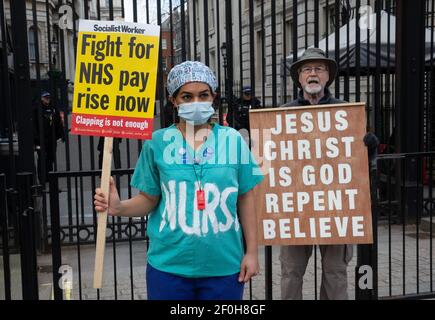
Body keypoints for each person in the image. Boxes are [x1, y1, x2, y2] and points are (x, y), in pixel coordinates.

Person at [94, 61, 264, 300]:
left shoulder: (233, 140)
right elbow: (149, 199)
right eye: (186, 96)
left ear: (213, 96)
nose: (196, 102)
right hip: (168, 266)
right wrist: (119, 207)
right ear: (174, 100)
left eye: (203, 95)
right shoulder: (157, 143)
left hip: (224, 266)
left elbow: (246, 196)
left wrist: (252, 252)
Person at [280, 47, 379, 300]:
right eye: (307, 69)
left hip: (337, 208)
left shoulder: (347, 112)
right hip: (297, 208)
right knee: (291, 273)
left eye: (319, 69)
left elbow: (360, 165)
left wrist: (369, 149)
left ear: (328, 76)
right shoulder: (283, 114)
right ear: (299, 78)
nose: (313, 74)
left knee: (335, 273)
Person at [33, 91, 65, 183]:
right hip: (40, 139)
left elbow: (58, 122)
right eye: (45, 97)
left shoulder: (53, 108)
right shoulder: (36, 109)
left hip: (51, 138)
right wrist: (36, 138)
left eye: (48, 97)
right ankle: (42, 177)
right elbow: (33, 124)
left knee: (51, 157)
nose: (47, 99)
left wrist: (62, 134)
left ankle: (49, 176)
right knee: (42, 157)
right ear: (41, 98)